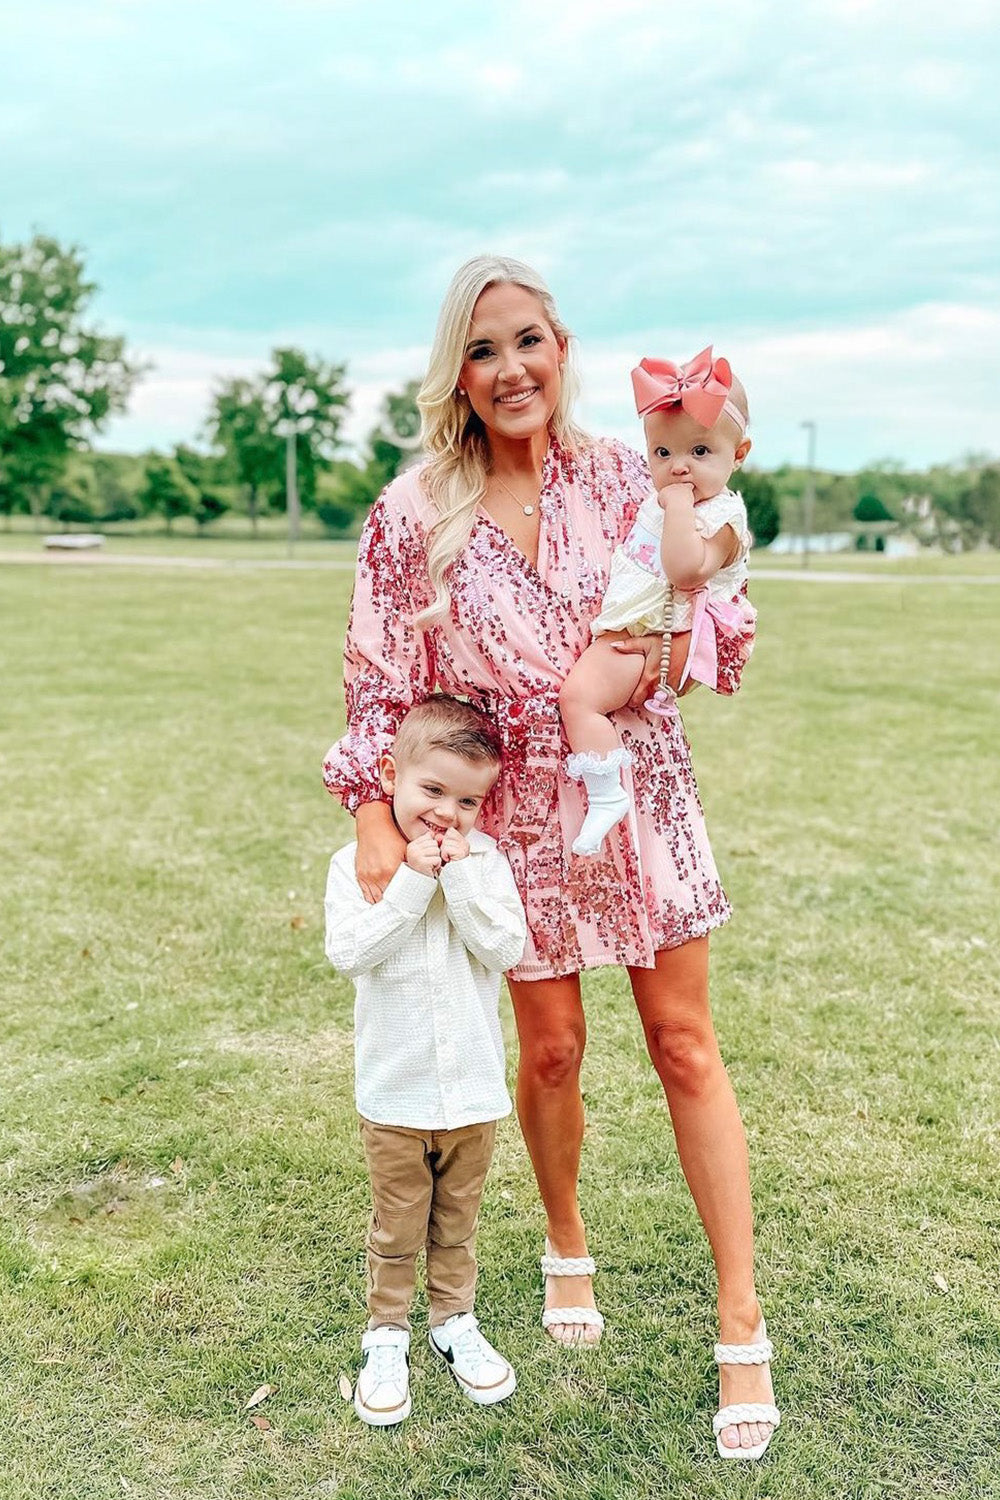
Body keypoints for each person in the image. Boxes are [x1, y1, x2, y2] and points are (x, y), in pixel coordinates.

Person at [324, 255, 780, 1459]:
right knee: (553, 1049)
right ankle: (565, 1241)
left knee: (683, 1044)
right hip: (512, 814)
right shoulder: (413, 511)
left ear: (561, 347)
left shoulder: (634, 474)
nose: (509, 368)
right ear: (457, 374)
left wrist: (659, 662)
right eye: (481, 350)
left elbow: (722, 605)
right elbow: (378, 682)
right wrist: (372, 814)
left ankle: (741, 1322)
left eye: (526, 339)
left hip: (637, 788)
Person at [324, 694, 527, 1427]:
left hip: (472, 1092)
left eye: (467, 801)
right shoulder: (357, 866)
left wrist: (460, 879)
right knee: (399, 1223)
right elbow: (351, 953)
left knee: (457, 1222)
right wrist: (412, 881)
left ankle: (453, 1320)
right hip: (396, 1094)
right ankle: (387, 1332)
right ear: (391, 777)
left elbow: (505, 948)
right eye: (432, 791)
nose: (446, 814)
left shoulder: (488, 865)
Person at [559, 347, 756, 856]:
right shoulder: (660, 499)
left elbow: (685, 568)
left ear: (738, 454)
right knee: (582, 696)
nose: (679, 468)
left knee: (579, 699)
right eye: (663, 453)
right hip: (634, 626)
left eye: (700, 452)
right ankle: (607, 791)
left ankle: (606, 793)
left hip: (656, 634)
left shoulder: (723, 520)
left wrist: (678, 506)